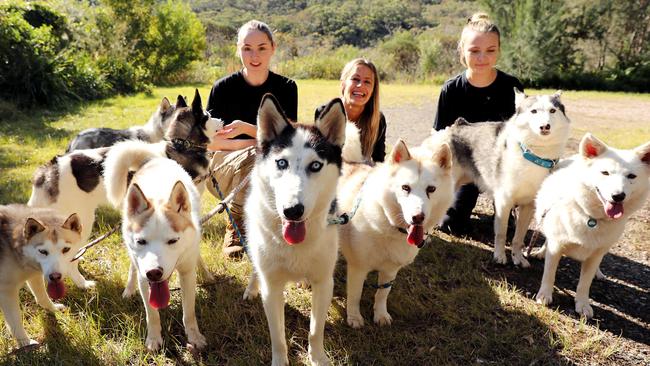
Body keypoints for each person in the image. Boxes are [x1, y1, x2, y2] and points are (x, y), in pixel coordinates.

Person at [206, 20, 298, 257]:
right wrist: (253, 144)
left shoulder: (287, 88)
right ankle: (236, 224)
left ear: (273, 48)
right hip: (223, 169)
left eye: (261, 48)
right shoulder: (222, 89)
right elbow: (210, 143)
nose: (254, 55)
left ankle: (278, 223)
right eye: (247, 48)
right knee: (253, 156)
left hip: (274, 166)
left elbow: (288, 141)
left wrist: (247, 129)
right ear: (238, 49)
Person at [433, 12, 524, 235]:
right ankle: (463, 203)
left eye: (490, 50)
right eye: (474, 51)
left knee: (508, 230)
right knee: (451, 225)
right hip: (465, 165)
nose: (482, 57)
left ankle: (506, 208)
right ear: (462, 51)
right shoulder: (451, 89)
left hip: (501, 167)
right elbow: (440, 137)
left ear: (499, 50)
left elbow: (523, 135)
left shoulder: (511, 87)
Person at [315, 58, 386, 163]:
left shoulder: (378, 119)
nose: (360, 85)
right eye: (355, 79)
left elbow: (379, 161)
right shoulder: (325, 112)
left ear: (373, 89)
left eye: (367, 82)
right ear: (343, 83)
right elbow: (321, 155)